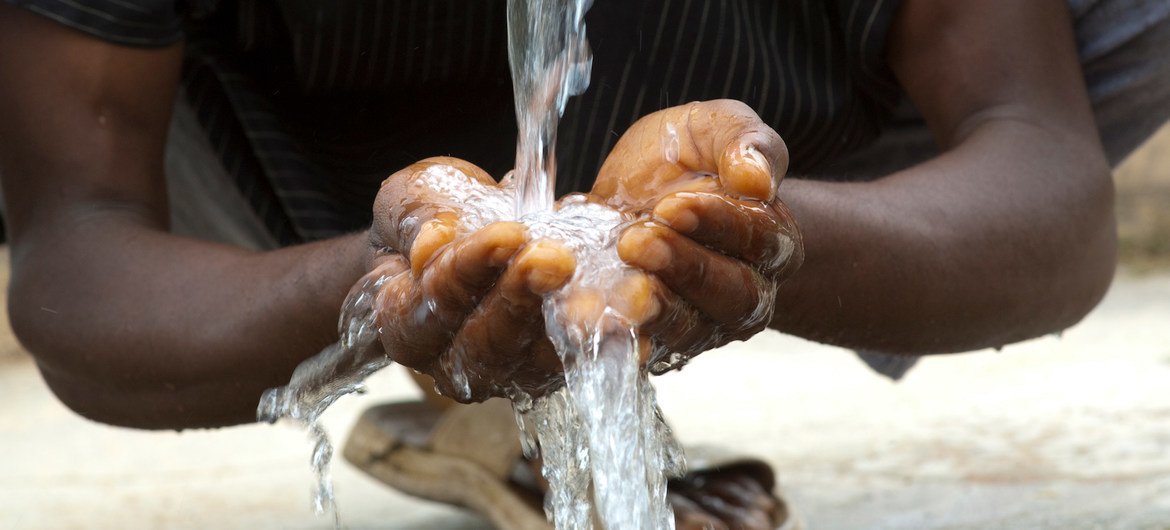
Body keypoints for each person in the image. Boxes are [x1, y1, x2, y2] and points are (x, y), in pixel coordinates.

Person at [2, 0, 1168, 528]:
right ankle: (468, 348)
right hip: (258, 163)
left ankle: (529, 342)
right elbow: (82, 253)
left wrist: (769, 238)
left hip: (806, 114)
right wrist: (368, 285)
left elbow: (1046, 177)